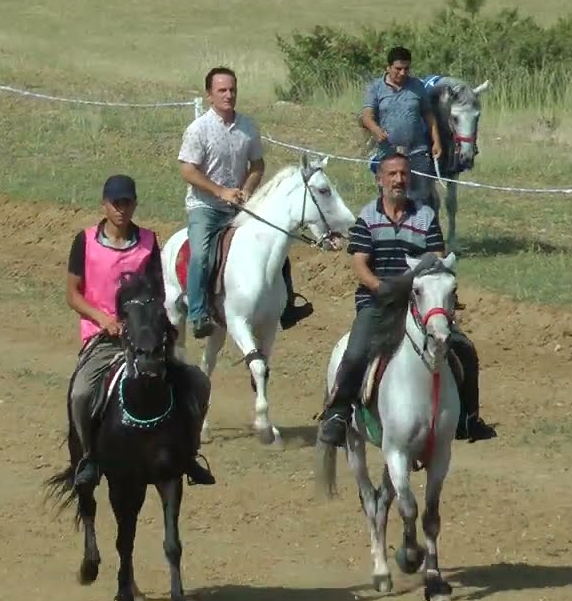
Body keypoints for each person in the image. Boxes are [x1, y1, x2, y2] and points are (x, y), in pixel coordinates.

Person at [316, 151, 497, 447]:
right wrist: (379, 287)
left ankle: (468, 418)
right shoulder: (367, 217)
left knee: (464, 350)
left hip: (418, 302)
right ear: (379, 180)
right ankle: (337, 413)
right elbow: (359, 263)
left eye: (403, 174)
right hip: (377, 303)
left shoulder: (426, 217)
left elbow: (436, 258)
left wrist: (423, 288)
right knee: (356, 352)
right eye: (392, 174)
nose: (398, 180)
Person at [66, 174, 217, 488]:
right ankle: (88, 457)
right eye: (115, 203)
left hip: (145, 339)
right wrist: (104, 319)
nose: (121, 209)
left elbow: (158, 292)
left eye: (127, 202)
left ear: (135, 204)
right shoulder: (85, 241)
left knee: (199, 383)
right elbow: (73, 294)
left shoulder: (148, 241)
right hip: (102, 338)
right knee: (80, 393)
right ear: (104, 205)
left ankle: (189, 453)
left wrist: (148, 324)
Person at [178, 66, 313, 339]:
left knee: (275, 246)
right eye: (222, 90)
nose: (229, 95)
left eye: (232, 90)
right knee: (201, 254)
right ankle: (198, 313)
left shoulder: (248, 127)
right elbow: (187, 170)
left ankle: (287, 306)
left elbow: (257, 164)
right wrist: (220, 192)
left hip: (238, 206)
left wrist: (248, 190)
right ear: (209, 95)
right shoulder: (198, 129)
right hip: (205, 207)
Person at [361, 46, 444, 211]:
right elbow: (366, 116)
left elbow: (428, 115)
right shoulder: (375, 88)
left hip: (417, 152)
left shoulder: (417, 86)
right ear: (388, 67)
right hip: (388, 152)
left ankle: (423, 224)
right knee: (391, 196)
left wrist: (437, 141)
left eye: (406, 69)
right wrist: (376, 130)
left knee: (421, 197)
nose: (402, 73)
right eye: (398, 69)